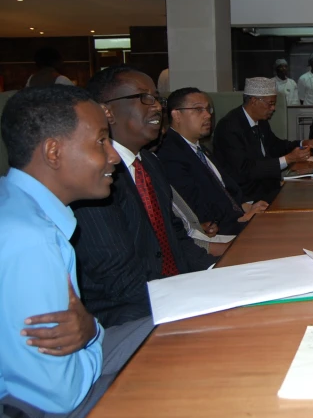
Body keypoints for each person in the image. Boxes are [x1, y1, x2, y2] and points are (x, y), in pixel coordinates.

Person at [0, 86, 153, 418]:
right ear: (53, 152)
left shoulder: (13, 201)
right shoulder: (31, 241)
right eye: (101, 141)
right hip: (40, 405)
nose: (113, 156)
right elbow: (58, 395)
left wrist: (91, 331)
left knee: (181, 325)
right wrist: (92, 335)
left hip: (72, 364)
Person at [72, 66, 216, 328]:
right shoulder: (93, 176)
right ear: (107, 111)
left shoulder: (150, 163)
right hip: (128, 316)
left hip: (172, 293)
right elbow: (118, 282)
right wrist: (196, 297)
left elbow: (174, 236)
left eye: (157, 98)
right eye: (144, 98)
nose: (157, 107)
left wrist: (215, 272)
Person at [156, 87, 268, 237]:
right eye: (198, 110)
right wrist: (244, 219)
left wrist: (246, 207)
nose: (208, 115)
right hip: (219, 233)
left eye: (208, 109)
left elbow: (224, 187)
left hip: (237, 218)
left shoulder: (199, 148)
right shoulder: (170, 153)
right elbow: (196, 210)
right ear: (176, 115)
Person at [212, 77, 313, 203]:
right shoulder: (229, 127)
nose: (273, 108)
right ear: (254, 101)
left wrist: (302, 143)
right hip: (246, 198)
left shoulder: (260, 121)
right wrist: (288, 159)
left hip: (268, 188)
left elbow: (275, 146)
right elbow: (244, 170)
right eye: (270, 103)